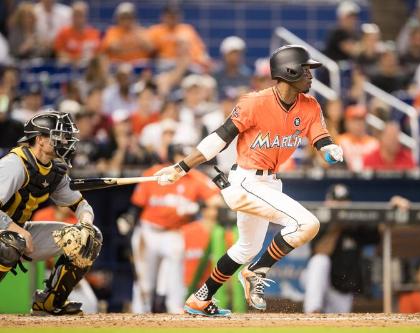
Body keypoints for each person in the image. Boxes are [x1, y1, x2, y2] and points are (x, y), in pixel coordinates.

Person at [154, 45, 344, 316]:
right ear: (288, 71)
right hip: (245, 182)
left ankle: (200, 298)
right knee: (307, 223)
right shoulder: (255, 102)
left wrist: (329, 149)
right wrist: (181, 167)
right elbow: (219, 139)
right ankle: (256, 271)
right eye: (305, 69)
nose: (311, 76)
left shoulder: (310, 105)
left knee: (247, 248)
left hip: (270, 183)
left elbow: (320, 138)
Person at [0, 110, 102, 315]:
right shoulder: (14, 164)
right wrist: (14, 229)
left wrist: (85, 223)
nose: (65, 141)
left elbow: (81, 205)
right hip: (8, 231)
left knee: (90, 238)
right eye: (58, 136)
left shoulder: (54, 169)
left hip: (18, 230)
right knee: (12, 242)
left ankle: (49, 302)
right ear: (40, 139)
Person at [122, 144, 220, 313]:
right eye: (182, 155)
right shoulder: (156, 173)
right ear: (172, 156)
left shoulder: (195, 177)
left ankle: (175, 310)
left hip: (174, 233)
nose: (187, 159)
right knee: (145, 281)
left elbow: (216, 200)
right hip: (148, 232)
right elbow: (136, 205)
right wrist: (129, 221)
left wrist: (197, 206)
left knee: (176, 277)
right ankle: (140, 314)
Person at [303, 184, 380, 313]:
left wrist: (393, 207)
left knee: (339, 323)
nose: (340, 206)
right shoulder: (318, 223)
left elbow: (379, 233)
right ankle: (313, 310)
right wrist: (337, 225)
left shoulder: (356, 225)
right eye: (336, 201)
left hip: (343, 287)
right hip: (321, 283)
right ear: (327, 202)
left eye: (343, 201)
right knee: (319, 261)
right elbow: (320, 251)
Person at [336, 105, 379, 172]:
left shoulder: (374, 143)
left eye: (361, 120)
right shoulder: (339, 141)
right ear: (347, 123)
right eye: (354, 120)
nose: (358, 124)